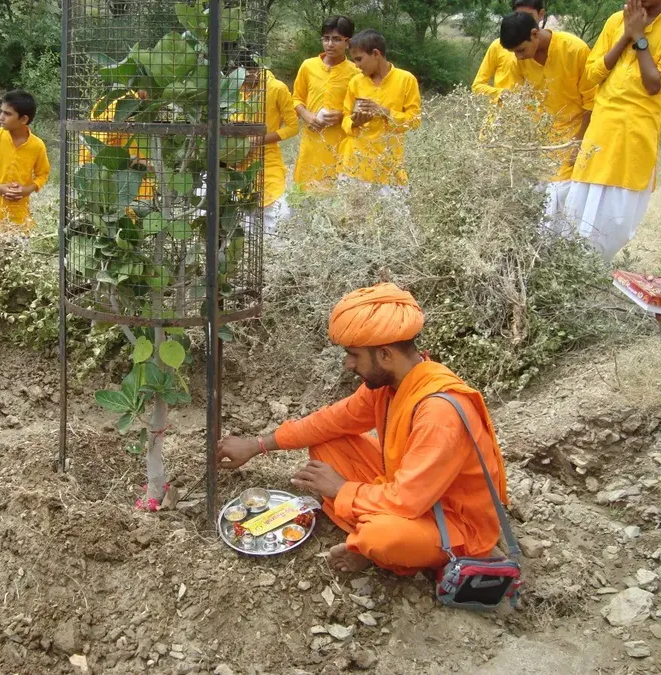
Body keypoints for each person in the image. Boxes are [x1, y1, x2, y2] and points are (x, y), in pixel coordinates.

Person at [217, 283, 509, 575]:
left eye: (354, 354)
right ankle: (367, 535)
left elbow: (407, 501)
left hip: (453, 522)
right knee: (326, 446)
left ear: (384, 355)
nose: (348, 364)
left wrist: (342, 489)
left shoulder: (439, 414)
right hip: (410, 491)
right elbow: (330, 421)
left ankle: (370, 545)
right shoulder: (391, 384)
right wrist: (256, 446)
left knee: (380, 537)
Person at [562, 0, 661, 262]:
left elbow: (654, 84)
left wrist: (639, 37)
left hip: (634, 134)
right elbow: (592, 75)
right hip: (600, 129)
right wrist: (625, 36)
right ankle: (568, 271)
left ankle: (591, 270)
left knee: (615, 222)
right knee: (576, 212)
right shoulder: (615, 21)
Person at [499, 12, 594, 217]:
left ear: (535, 34)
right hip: (541, 142)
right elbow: (519, 102)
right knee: (529, 206)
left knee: (558, 202)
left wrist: (578, 143)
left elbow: (592, 103)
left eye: (521, 50)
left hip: (574, 139)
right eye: (514, 53)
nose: (519, 57)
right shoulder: (518, 62)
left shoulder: (574, 49)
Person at [340, 30, 420, 191]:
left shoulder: (406, 80)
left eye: (359, 59)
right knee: (351, 217)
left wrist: (385, 112)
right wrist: (354, 123)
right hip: (354, 168)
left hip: (390, 170)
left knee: (394, 216)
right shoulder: (356, 82)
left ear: (376, 53)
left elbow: (415, 120)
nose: (356, 65)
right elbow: (345, 117)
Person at [0, 89, 51, 231]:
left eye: (7, 114)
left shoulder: (37, 145)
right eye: (1, 112)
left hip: (18, 219)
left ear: (23, 119)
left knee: (18, 253)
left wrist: (27, 190)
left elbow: (42, 174)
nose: (1, 117)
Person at [292, 16, 359, 187]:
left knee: (334, 196)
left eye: (336, 39)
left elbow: (358, 110)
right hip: (311, 141)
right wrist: (306, 115)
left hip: (339, 144)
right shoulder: (308, 66)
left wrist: (342, 116)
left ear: (348, 42)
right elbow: (296, 98)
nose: (330, 44)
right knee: (303, 193)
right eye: (326, 38)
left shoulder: (356, 72)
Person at [238, 58, 299, 238]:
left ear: (254, 69)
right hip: (238, 163)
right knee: (245, 220)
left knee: (276, 213)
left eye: (248, 71)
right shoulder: (231, 89)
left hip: (267, 158)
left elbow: (293, 127)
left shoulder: (276, 88)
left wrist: (259, 140)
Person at [472, 0, 546, 100]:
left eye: (529, 16)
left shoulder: (547, 49)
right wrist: (504, 94)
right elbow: (477, 86)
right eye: (519, 15)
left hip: (531, 114)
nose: (523, 21)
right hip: (500, 114)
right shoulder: (498, 46)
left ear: (541, 15)